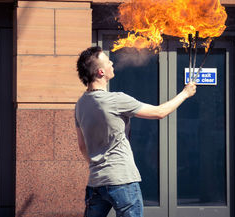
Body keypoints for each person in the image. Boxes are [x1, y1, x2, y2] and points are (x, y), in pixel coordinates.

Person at [75, 46, 196, 217]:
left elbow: (82, 146)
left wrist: (99, 166)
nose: (112, 63)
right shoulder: (116, 100)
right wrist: (185, 93)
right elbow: (159, 112)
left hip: (96, 182)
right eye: (108, 61)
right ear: (101, 72)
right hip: (122, 180)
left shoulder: (80, 104)